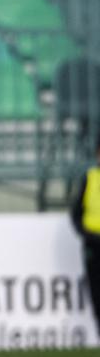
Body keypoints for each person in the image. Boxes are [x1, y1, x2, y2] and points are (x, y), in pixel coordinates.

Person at [70, 135, 100, 333]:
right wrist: (87, 235)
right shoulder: (90, 178)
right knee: (98, 295)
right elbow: (76, 214)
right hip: (94, 246)